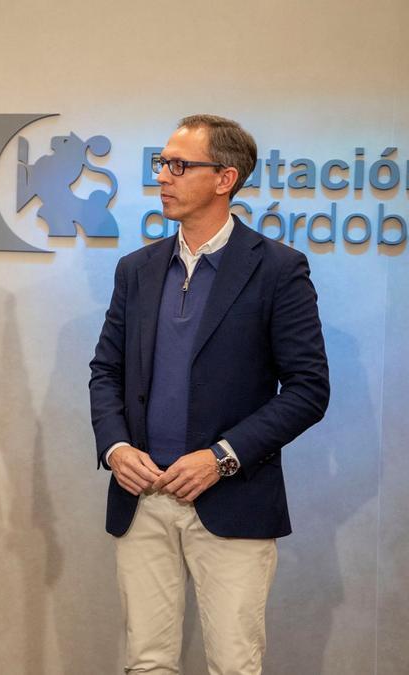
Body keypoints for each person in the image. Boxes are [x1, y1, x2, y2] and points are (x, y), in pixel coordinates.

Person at [88, 114, 329, 673]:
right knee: (146, 663)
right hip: (142, 496)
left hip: (233, 499)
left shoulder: (277, 268)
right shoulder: (137, 269)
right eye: (161, 164)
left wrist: (222, 458)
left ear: (225, 178)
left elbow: (308, 389)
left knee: (233, 665)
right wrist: (115, 449)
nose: (162, 177)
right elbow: (106, 371)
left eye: (178, 165)